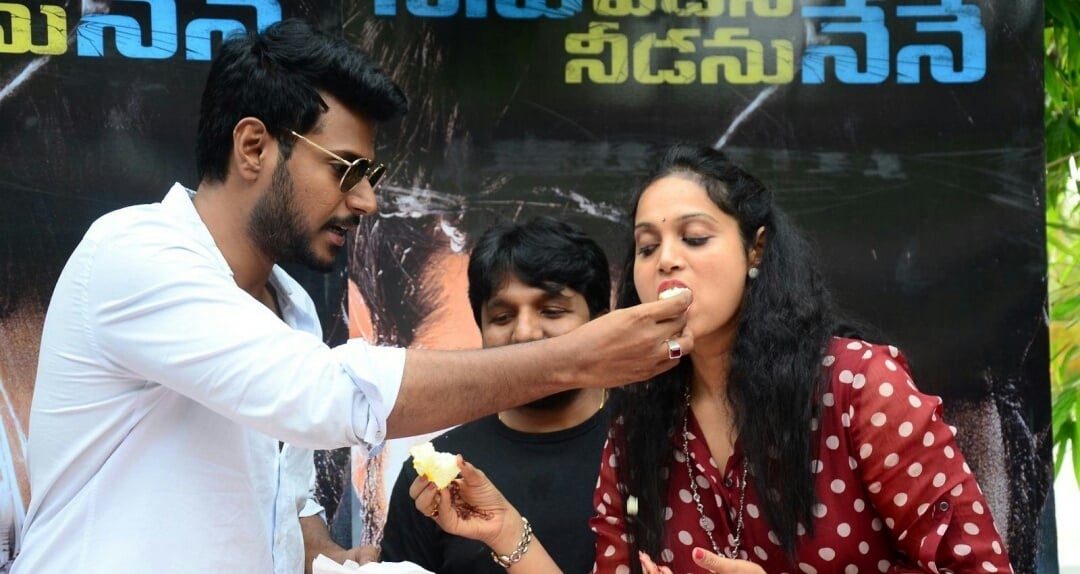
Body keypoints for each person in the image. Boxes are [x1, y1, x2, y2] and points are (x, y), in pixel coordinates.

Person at [11, 21, 693, 574]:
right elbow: (330, 396)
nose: (366, 200)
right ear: (253, 147)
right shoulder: (135, 254)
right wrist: (576, 357)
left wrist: (339, 561)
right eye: (347, 170)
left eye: (372, 174)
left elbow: (289, 511)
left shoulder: (290, 310)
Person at [409, 143, 1014, 574]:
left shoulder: (857, 386)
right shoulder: (638, 428)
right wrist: (506, 532)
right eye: (648, 246)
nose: (666, 260)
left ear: (756, 249)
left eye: (694, 238)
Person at [381, 216, 613, 573]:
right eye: (502, 317)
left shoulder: (653, 449)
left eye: (552, 311)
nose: (525, 333)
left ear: (600, 321)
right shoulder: (437, 480)